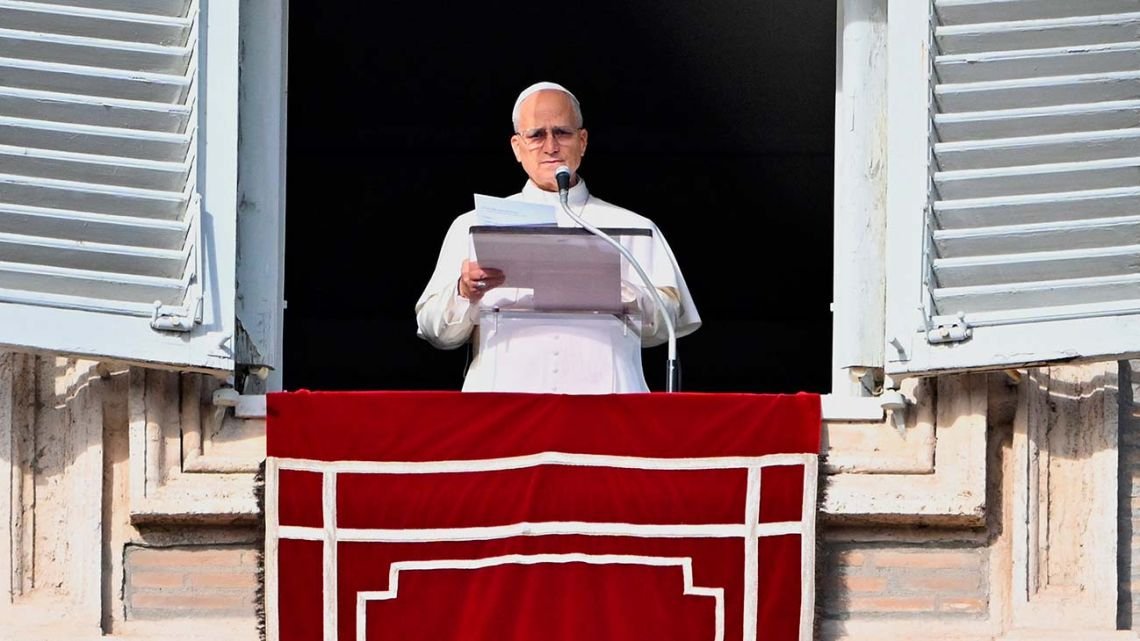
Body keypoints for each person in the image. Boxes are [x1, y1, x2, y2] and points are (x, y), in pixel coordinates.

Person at [415, 81, 700, 393]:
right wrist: (464, 291)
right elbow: (434, 331)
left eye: (562, 133)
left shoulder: (634, 227)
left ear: (582, 141)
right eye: (536, 135)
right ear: (516, 147)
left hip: (608, 410)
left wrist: (617, 291)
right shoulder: (472, 225)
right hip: (503, 411)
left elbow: (669, 321)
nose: (550, 146)